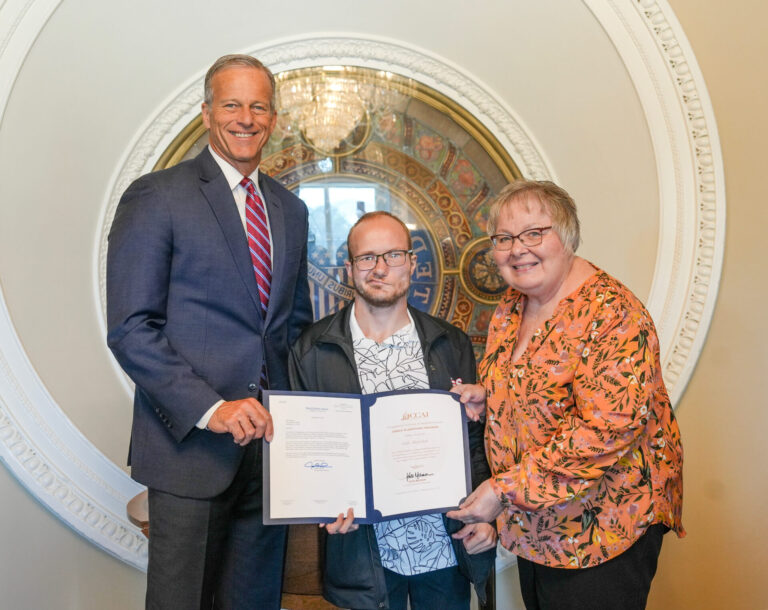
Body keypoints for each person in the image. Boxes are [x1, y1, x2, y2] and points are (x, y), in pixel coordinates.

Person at [106, 54, 312, 609]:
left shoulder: (291, 211)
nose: (245, 117)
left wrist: (325, 429)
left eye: (259, 105)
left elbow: (296, 332)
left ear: (273, 118)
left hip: (269, 456)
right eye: (231, 104)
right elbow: (131, 329)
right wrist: (212, 407)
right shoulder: (157, 197)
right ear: (205, 113)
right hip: (190, 451)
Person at [447, 180, 684, 610]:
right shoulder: (512, 306)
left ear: (567, 236)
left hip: (603, 529)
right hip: (538, 524)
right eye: (504, 238)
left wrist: (501, 491)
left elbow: (605, 431)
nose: (518, 249)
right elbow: (531, 383)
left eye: (534, 233)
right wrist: (490, 396)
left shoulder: (613, 314)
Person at [288, 211, 497, 610]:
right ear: (350, 269)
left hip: (445, 549)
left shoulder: (450, 344)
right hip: (360, 557)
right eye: (366, 258)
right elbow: (307, 453)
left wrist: (486, 519)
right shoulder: (311, 350)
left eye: (393, 256)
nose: (380, 268)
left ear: (412, 263)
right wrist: (320, 501)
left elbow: (474, 442)